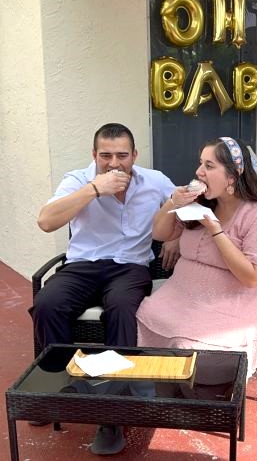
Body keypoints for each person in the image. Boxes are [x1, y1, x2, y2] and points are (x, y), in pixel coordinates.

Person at [30, 122, 178, 454]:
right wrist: (94, 189)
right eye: (106, 155)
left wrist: (177, 237)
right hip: (82, 265)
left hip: (130, 267)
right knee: (47, 303)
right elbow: (45, 221)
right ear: (94, 155)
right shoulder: (78, 180)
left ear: (134, 155)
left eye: (122, 155)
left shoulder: (154, 181)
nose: (114, 163)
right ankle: (63, 383)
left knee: (123, 310)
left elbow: (182, 205)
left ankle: (110, 413)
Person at [136, 136, 257, 378]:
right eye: (200, 163)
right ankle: (162, 392)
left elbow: (252, 278)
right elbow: (160, 233)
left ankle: (194, 404)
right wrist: (172, 202)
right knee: (144, 318)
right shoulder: (202, 203)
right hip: (182, 296)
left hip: (233, 302)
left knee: (188, 347)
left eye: (209, 166)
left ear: (232, 176)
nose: (198, 172)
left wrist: (215, 229)